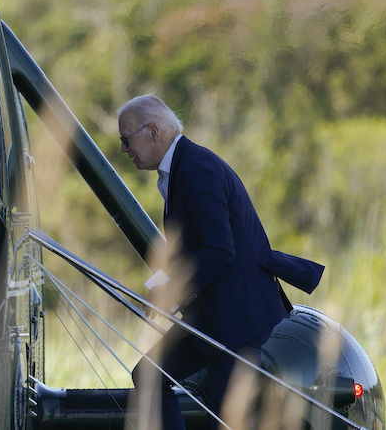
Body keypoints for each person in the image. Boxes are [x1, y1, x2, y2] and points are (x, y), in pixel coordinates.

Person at [118, 94, 324, 430]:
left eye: (126, 140)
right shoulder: (181, 167)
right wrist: (154, 287)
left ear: (153, 131)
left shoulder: (196, 168)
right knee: (149, 373)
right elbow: (189, 249)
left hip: (237, 317)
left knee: (226, 420)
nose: (125, 149)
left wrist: (171, 292)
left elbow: (219, 251)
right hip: (212, 315)